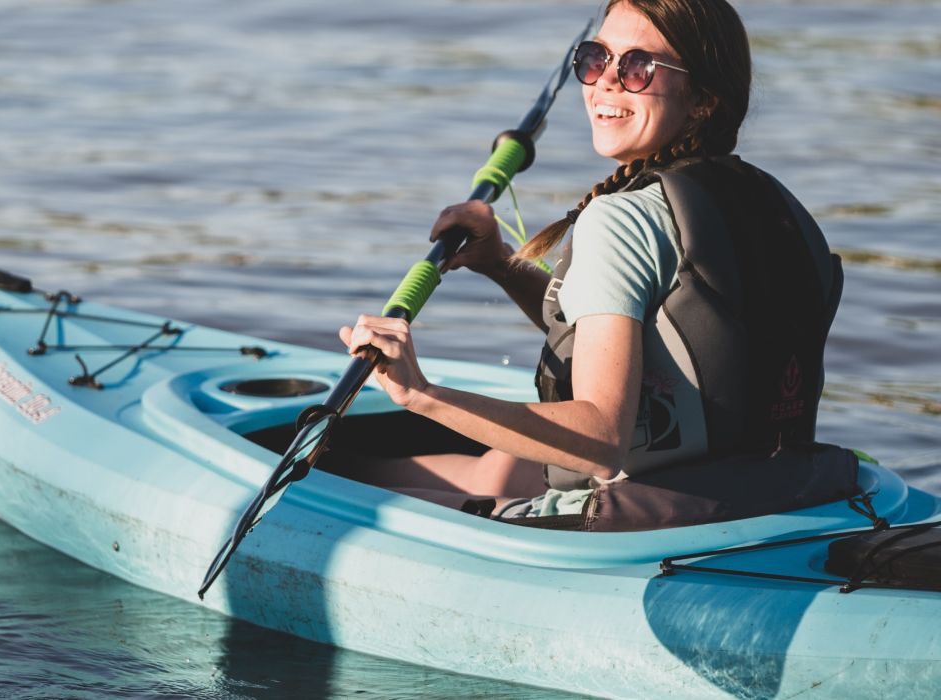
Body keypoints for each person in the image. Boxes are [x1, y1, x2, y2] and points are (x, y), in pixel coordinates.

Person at [330, 0, 851, 527]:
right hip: (769, 488)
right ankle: (338, 463)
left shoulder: (620, 219)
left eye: (638, 68)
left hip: (640, 516)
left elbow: (601, 441)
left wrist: (420, 393)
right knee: (500, 471)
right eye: (596, 58)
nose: (606, 83)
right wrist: (500, 264)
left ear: (702, 99)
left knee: (342, 495)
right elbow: (659, 337)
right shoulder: (776, 204)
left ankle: (325, 470)